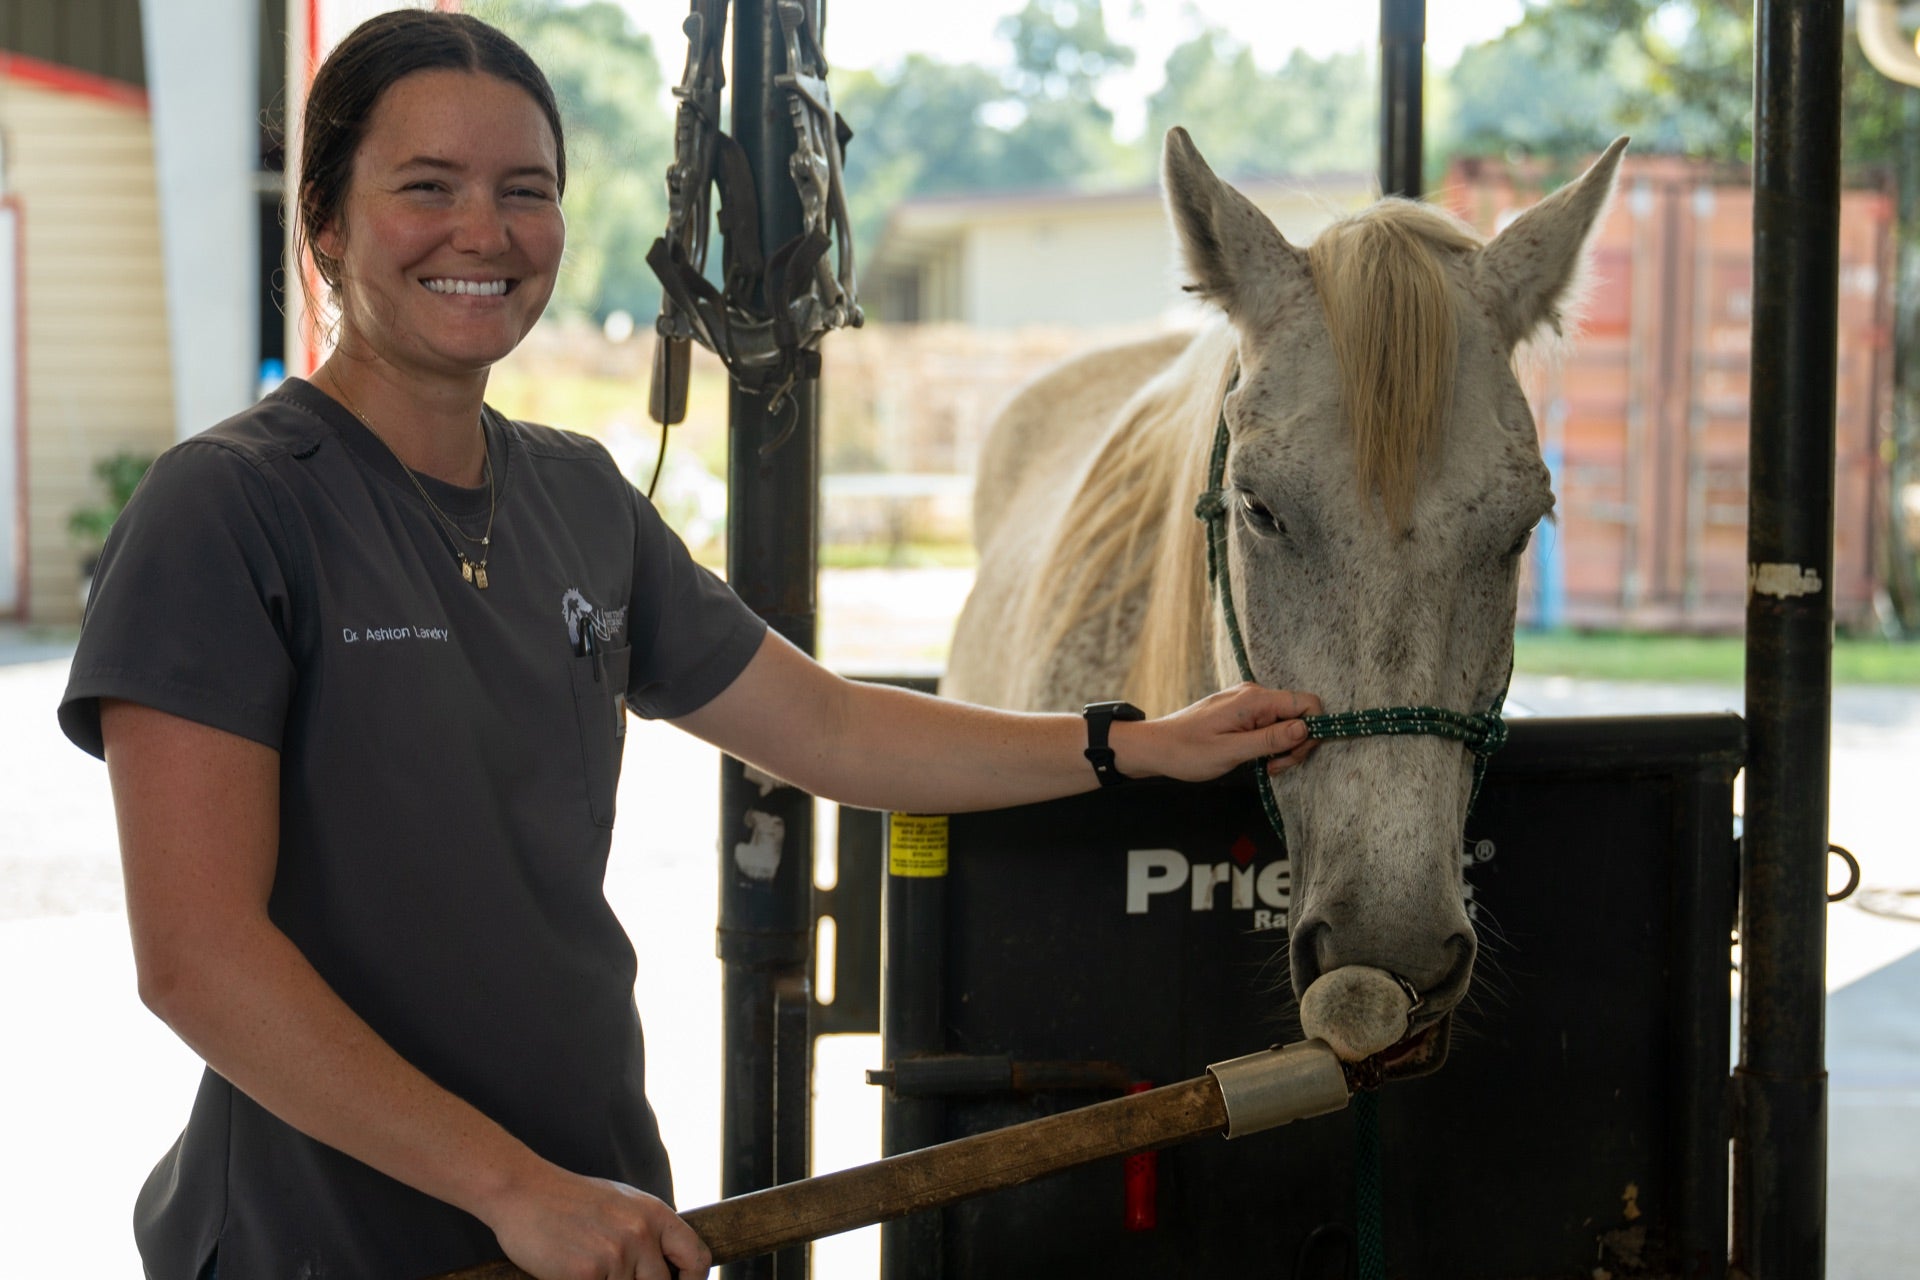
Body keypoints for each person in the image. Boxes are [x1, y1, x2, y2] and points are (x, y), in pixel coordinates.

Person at [57, 11, 1321, 1280]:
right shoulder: (230, 507)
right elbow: (199, 960)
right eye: (425, 188)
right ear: (324, 220)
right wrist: (512, 1190)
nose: (484, 232)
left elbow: (829, 727)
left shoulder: (577, 495)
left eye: (526, 191)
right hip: (328, 1239)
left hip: (593, 1215)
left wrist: (1129, 744)